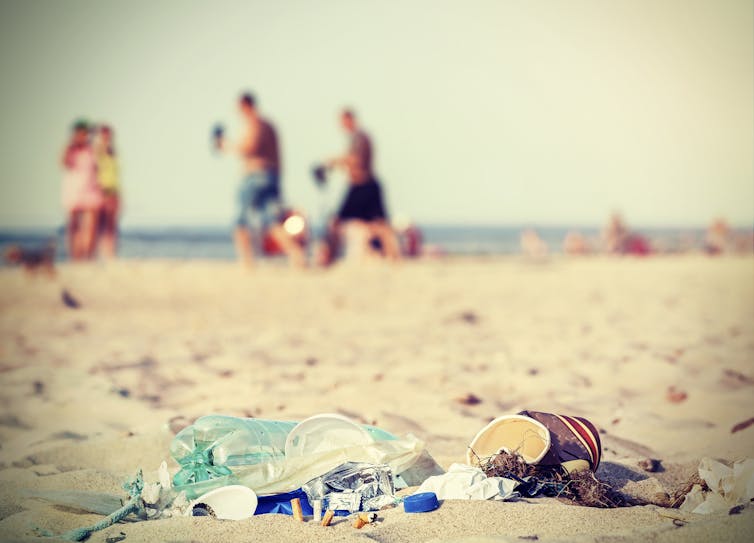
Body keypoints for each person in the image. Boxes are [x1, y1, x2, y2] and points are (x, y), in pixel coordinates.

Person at [219, 92, 305, 268]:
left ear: (246, 106)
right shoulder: (269, 125)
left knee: (240, 220)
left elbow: (249, 147)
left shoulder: (256, 123)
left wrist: (227, 145)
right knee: (272, 221)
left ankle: (246, 263)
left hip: (255, 177)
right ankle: (296, 255)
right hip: (271, 176)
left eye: (239, 109)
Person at [327, 109, 400, 260]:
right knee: (378, 225)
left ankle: (329, 259)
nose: (341, 126)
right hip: (365, 185)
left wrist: (336, 161)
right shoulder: (357, 138)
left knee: (338, 223)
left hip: (363, 185)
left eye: (343, 122)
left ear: (350, 120)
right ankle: (394, 256)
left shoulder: (361, 137)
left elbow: (357, 160)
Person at [61, 119, 102, 260]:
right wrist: (71, 143)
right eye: (81, 133)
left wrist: (94, 133)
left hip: (90, 190)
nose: (83, 137)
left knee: (90, 227)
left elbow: (100, 155)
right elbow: (64, 163)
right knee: (73, 226)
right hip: (73, 191)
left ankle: (88, 255)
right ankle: (76, 255)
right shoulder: (70, 150)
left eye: (85, 134)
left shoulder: (92, 149)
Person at [94, 124, 120, 258]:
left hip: (113, 191)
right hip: (100, 192)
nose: (106, 138)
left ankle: (110, 254)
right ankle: (100, 254)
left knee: (111, 226)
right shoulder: (95, 152)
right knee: (99, 226)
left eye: (108, 135)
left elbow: (114, 175)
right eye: (104, 135)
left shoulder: (112, 152)